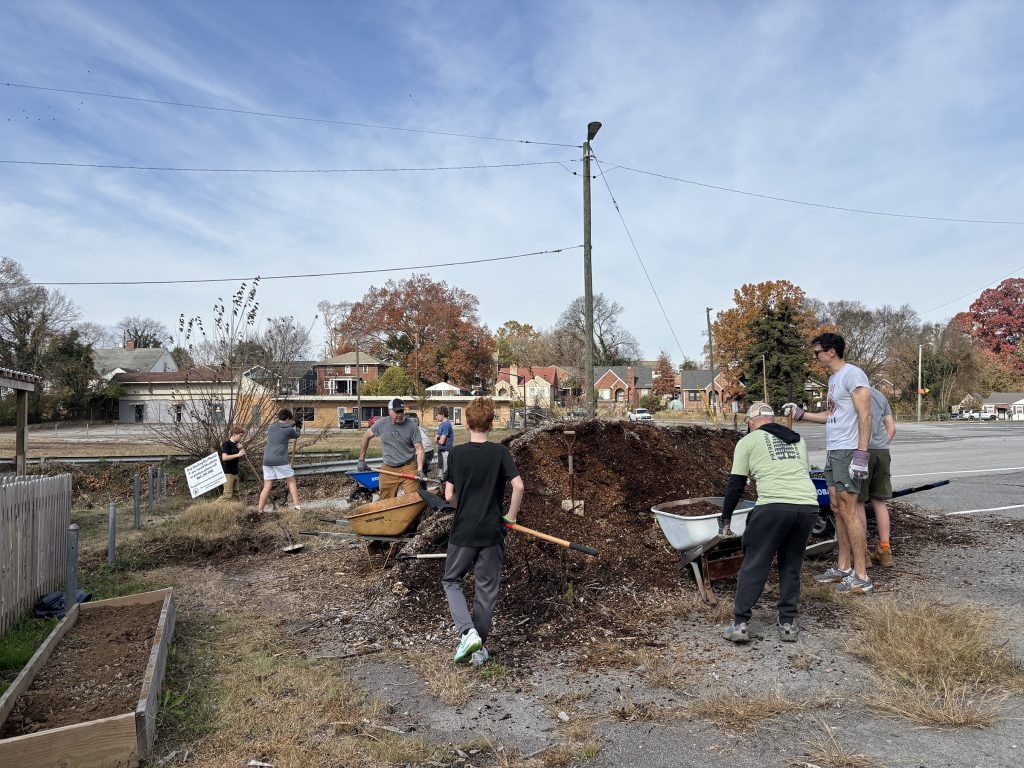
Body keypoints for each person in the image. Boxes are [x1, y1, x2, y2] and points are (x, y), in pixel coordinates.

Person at [721, 402, 820, 643]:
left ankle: (740, 623)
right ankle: (787, 624)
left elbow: (736, 485)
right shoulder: (798, 440)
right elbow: (802, 473)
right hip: (807, 507)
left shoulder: (748, 441)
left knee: (755, 563)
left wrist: (725, 518)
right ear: (773, 420)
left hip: (773, 506)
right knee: (791, 564)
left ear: (751, 422)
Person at [784, 332, 873, 594]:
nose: (815, 357)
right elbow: (833, 415)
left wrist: (862, 453)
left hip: (848, 450)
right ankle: (843, 567)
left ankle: (861, 576)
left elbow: (865, 415)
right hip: (834, 450)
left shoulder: (853, 374)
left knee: (848, 509)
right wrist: (802, 415)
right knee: (836, 508)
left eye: (817, 353)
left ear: (831, 351)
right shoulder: (834, 379)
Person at [442, 397, 524, 666]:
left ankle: (467, 632)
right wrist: (510, 517)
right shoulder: (500, 453)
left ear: (467, 423)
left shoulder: (456, 454)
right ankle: (479, 648)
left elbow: (449, 496)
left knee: (452, 580)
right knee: (486, 588)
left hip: (464, 529)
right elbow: (519, 486)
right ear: (491, 423)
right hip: (492, 531)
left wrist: (461, 501)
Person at [858, 387, 896, 567]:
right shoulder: (880, 396)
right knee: (879, 502)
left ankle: (863, 552)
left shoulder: (854, 394)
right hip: (882, 452)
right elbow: (892, 428)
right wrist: (881, 443)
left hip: (861, 449)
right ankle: (885, 549)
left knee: (858, 502)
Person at [357, 398, 425, 499]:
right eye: (396, 412)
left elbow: (419, 449)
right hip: (388, 467)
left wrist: (420, 469)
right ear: (389, 411)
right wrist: (361, 459)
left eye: (401, 411)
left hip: (408, 466)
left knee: (412, 498)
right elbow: (366, 436)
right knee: (385, 501)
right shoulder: (382, 424)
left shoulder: (412, 426)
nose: (400, 414)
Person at [257, 409, 302, 513]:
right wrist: (298, 427)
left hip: (267, 460)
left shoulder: (271, 427)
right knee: (291, 481)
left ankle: (260, 510)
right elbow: (296, 435)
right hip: (280, 459)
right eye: (289, 420)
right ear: (287, 418)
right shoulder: (288, 429)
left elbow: (282, 427)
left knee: (267, 486)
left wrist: (293, 423)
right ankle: (297, 507)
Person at [219, 427, 246, 500]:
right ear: (234, 434)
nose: (241, 438)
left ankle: (237, 509)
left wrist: (241, 448)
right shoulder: (226, 444)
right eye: (240, 435)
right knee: (227, 495)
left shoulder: (238, 444)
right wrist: (238, 455)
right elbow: (224, 458)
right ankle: (211, 508)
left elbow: (244, 457)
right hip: (228, 472)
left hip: (235, 472)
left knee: (236, 494)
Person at [407, 412, 435, 477]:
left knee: (418, 473)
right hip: (430, 450)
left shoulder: (411, 429)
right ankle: (423, 484)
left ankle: (420, 486)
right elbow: (425, 431)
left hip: (424, 451)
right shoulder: (418, 428)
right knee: (423, 472)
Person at [436, 405, 454, 480]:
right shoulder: (441, 425)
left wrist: (438, 439)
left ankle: (447, 489)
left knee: (445, 472)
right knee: (441, 471)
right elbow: (436, 439)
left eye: (437, 415)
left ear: (442, 414)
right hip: (441, 450)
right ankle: (443, 487)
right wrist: (438, 439)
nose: (436, 417)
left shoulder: (446, 424)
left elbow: (442, 441)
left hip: (446, 452)